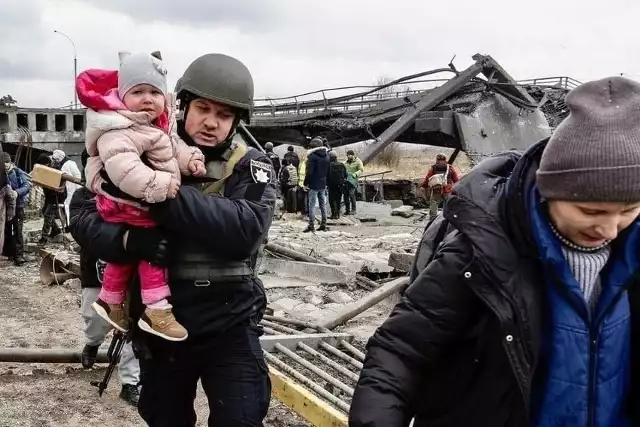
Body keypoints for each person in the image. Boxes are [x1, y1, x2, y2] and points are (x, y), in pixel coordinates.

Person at [349, 76, 640, 427]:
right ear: (549, 190)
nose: (609, 229)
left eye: (628, 211)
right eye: (591, 212)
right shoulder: (481, 249)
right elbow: (401, 352)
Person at [69, 53, 275, 426]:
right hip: (161, 322)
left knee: (241, 418)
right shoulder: (134, 140)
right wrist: (129, 242)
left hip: (229, 321)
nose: (211, 123)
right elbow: (82, 216)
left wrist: (154, 191)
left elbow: (245, 230)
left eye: (224, 115)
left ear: (236, 121)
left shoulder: (251, 164)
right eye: (203, 108)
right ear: (181, 105)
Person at [77, 51, 206, 342]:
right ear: (122, 97)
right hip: (127, 202)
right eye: (138, 92)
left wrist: (191, 161)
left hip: (135, 200)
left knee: (130, 255)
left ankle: (111, 300)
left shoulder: (155, 126)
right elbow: (125, 170)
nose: (147, 98)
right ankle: (157, 310)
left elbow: (173, 148)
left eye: (154, 92)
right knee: (153, 251)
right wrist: (162, 184)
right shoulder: (117, 128)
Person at [73, 150, 140, 406]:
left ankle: (130, 382)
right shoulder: (83, 195)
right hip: (96, 270)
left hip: (133, 271)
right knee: (94, 319)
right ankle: (92, 344)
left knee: (134, 327)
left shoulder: (135, 188)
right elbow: (83, 228)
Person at [2, 153, 28, 265]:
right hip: (5, 207)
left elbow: (27, 186)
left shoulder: (18, 172)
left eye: (7, 163)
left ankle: (18, 256)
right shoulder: (2, 173)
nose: (5, 166)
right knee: (6, 230)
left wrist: (17, 193)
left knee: (18, 231)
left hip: (18, 206)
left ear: (10, 162)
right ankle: (9, 253)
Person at [34, 153, 65, 245]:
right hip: (49, 196)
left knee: (48, 215)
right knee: (45, 212)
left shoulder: (55, 170)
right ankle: (56, 229)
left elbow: (60, 184)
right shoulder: (46, 169)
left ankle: (44, 238)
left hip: (55, 196)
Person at [420, 153, 460, 220]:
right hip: (447, 189)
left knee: (434, 202)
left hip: (436, 189)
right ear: (445, 159)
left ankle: (432, 218)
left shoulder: (433, 168)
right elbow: (456, 179)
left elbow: (428, 178)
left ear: (437, 159)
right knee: (448, 203)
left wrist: (423, 185)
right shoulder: (450, 168)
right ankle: (447, 218)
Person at [303, 137, 330, 232]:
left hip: (314, 184)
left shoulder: (312, 157)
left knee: (312, 205)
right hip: (323, 183)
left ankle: (311, 225)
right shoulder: (327, 155)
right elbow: (328, 171)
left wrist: (305, 183)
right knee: (323, 205)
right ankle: (324, 224)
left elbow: (309, 172)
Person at [52, 149, 82, 227]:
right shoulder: (59, 165)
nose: (57, 161)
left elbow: (77, 176)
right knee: (65, 207)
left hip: (72, 189)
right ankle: (68, 225)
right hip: (65, 190)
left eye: (57, 159)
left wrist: (78, 189)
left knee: (71, 207)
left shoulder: (70, 163)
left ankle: (71, 224)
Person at [327, 151, 347, 219]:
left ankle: (333, 214)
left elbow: (326, 176)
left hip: (331, 185)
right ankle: (338, 214)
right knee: (338, 200)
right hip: (340, 185)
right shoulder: (342, 164)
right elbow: (345, 175)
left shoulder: (329, 165)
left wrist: (326, 183)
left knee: (331, 200)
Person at [344, 149, 363, 215]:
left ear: (353, 155)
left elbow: (361, 170)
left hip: (353, 180)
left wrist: (355, 174)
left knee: (351, 194)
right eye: (347, 155)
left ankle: (354, 210)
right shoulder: (346, 162)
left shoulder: (358, 161)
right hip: (346, 180)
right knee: (345, 195)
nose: (348, 156)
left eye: (349, 155)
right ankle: (347, 210)